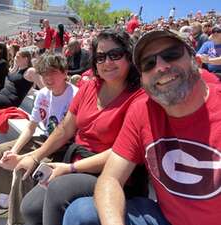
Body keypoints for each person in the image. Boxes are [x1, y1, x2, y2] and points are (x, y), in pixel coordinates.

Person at [63, 29, 221, 225]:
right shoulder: (143, 110)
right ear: (143, 79)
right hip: (164, 218)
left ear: (197, 62)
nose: (161, 67)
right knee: (81, 213)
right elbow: (110, 179)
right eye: (149, 64)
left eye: (171, 55)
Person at [19, 29, 147, 225]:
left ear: (129, 57)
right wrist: (35, 156)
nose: (107, 62)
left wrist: (70, 168)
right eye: (101, 57)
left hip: (113, 174)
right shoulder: (89, 87)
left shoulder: (140, 97)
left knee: (58, 189)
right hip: (77, 162)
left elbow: (121, 152)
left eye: (115, 55)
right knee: (30, 209)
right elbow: (65, 129)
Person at [0, 52, 78, 223]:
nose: (48, 78)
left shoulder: (75, 95)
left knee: (24, 168)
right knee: (1, 151)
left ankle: (20, 220)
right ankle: (4, 204)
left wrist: (23, 157)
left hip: (63, 145)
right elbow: (30, 127)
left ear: (65, 73)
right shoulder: (43, 94)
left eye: (53, 72)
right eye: (43, 74)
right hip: (44, 138)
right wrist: (13, 151)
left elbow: (65, 134)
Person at [0, 48, 43, 112]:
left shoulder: (31, 71)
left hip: (9, 100)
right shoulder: (18, 69)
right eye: (15, 56)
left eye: (18, 57)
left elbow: (43, 87)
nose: (15, 58)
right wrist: (15, 66)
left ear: (26, 59)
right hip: (1, 95)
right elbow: (8, 75)